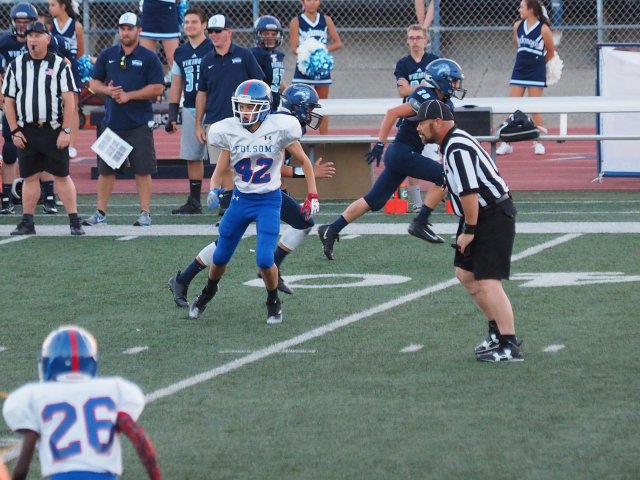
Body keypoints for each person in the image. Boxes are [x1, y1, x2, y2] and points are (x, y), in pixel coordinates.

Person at [168, 83, 332, 305]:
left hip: (269, 190)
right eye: (309, 108)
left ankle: (271, 267)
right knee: (226, 244)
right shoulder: (274, 125)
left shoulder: (281, 122)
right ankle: (185, 279)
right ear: (298, 107)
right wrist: (306, 173)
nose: (311, 113)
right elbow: (270, 166)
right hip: (258, 193)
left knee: (303, 223)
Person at [318, 58, 466, 260]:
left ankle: (331, 228)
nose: (456, 85)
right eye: (453, 81)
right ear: (441, 80)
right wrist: (380, 143)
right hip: (402, 153)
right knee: (445, 177)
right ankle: (421, 222)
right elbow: (392, 113)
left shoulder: (445, 103)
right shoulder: (425, 96)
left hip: (403, 155)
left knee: (373, 200)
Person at [414, 100, 522, 362]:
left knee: (488, 279)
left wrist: (470, 229)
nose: (418, 128)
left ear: (437, 122)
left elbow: (469, 192)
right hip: (480, 213)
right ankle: (497, 332)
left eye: (421, 123)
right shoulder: (451, 143)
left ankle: (509, 344)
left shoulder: (456, 147)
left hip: (491, 214)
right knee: (466, 274)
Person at [2, 325, 163, 479]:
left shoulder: (34, 396)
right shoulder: (116, 389)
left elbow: (22, 468)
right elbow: (139, 437)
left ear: (49, 363)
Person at [2, 21, 84, 236]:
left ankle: (74, 221)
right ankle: (27, 222)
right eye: (30, 35)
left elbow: (70, 101)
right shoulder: (16, 65)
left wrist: (66, 131)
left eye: (37, 35)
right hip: (27, 130)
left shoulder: (59, 65)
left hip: (52, 129)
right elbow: (8, 100)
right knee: (29, 177)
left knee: (62, 175)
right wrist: (14, 131)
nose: (33, 39)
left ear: (47, 39)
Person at [83, 12, 164, 227]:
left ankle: (145, 213)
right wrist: (108, 91)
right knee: (106, 171)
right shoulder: (107, 55)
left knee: (142, 170)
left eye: (129, 28)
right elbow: (94, 84)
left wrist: (129, 95)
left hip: (139, 123)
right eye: (122, 29)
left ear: (139, 30)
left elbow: (157, 87)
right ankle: (100, 213)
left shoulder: (149, 57)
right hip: (113, 123)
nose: (125, 32)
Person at [195, 14, 265, 215]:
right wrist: (198, 124)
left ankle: (240, 206)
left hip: (243, 120)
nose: (213, 35)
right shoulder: (206, 60)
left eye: (217, 31)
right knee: (222, 166)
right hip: (216, 121)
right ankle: (228, 206)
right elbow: (202, 93)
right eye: (210, 31)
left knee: (242, 165)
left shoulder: (244, 55)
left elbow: (260, 84)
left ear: (229, 31)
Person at [0, 3, 59, 216]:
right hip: (14, 102)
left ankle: (49, 196)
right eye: (19, 22)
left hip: (38, 104)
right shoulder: (4, 43)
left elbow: (58, 67)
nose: (22, 26)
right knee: (9, 150)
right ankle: (6, 198)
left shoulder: (48, 42)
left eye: (26, 22)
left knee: (43, 149)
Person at [166, 7, 213, 215]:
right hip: (191, 107)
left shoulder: (213, 46)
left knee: (223, 155)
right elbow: (176, 84)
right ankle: (194, 201)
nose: (189, 26)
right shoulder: (180, 52)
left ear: (204, 25)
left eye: (194, 22)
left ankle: (227, 199)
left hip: (214, 108)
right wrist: (172, 113)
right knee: (192, 156)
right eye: (186, 22)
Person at [496, 0, 554, 156]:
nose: (519, 9)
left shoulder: (544, 29)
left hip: (536, 72)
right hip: (519, 70)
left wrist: (538, 64)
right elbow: (518, 45)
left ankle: (538, 142)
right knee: (512, 107)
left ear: (531, 9)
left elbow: (550, 52)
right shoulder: (517, 26)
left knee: (535, 108)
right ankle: (506, 143)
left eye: (522, 7)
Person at [394, 23, 439, 212]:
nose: (415, 41)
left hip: (430, 116)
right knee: (411, 159)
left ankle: (443, 192)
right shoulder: (403, 64)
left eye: (418, 37)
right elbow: (402, 91)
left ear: (426, 40)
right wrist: (423, 87)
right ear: (407, 40)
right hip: (410, 116)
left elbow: (438, 87)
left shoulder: (434, 61)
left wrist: (413, 88)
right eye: (411, 38)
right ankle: (417, 201)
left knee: (435, 159)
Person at [289, 0, 342, 135]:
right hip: (303, 69)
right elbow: (293, 48)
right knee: (299, 105)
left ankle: (324, 140)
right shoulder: (296, 21)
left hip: (321, 69)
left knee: (322, 105)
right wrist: (307, 54)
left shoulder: (326, 20)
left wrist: (320, 53)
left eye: (315, 0)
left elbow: (338, 43)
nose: (312, 3)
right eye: (308, 0)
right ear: (302, 2)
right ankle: (298, 137)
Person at [48, 0, 85, 159]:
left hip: (71, 69)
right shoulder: (50, 26)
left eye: (53, 5)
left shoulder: (76, 26)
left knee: (73, 106)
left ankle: (71, 145)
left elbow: (80, 52)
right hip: (53, 68)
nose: (50, 8)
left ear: (63, 6)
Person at [250, 15, 286, 111]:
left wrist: (290, 94)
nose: (270, 37)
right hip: (260, 104)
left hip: (275, 103)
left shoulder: (278, 55)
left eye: (273, 34)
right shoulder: (254, 54)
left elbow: (278, 80)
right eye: (266, 34)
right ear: (258, 34)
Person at [139, 0, 181, 75]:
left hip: (168, 9)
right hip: (149, 9)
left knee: (173, 59)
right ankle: (152, 81)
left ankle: (178, 82)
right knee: (146, 58)